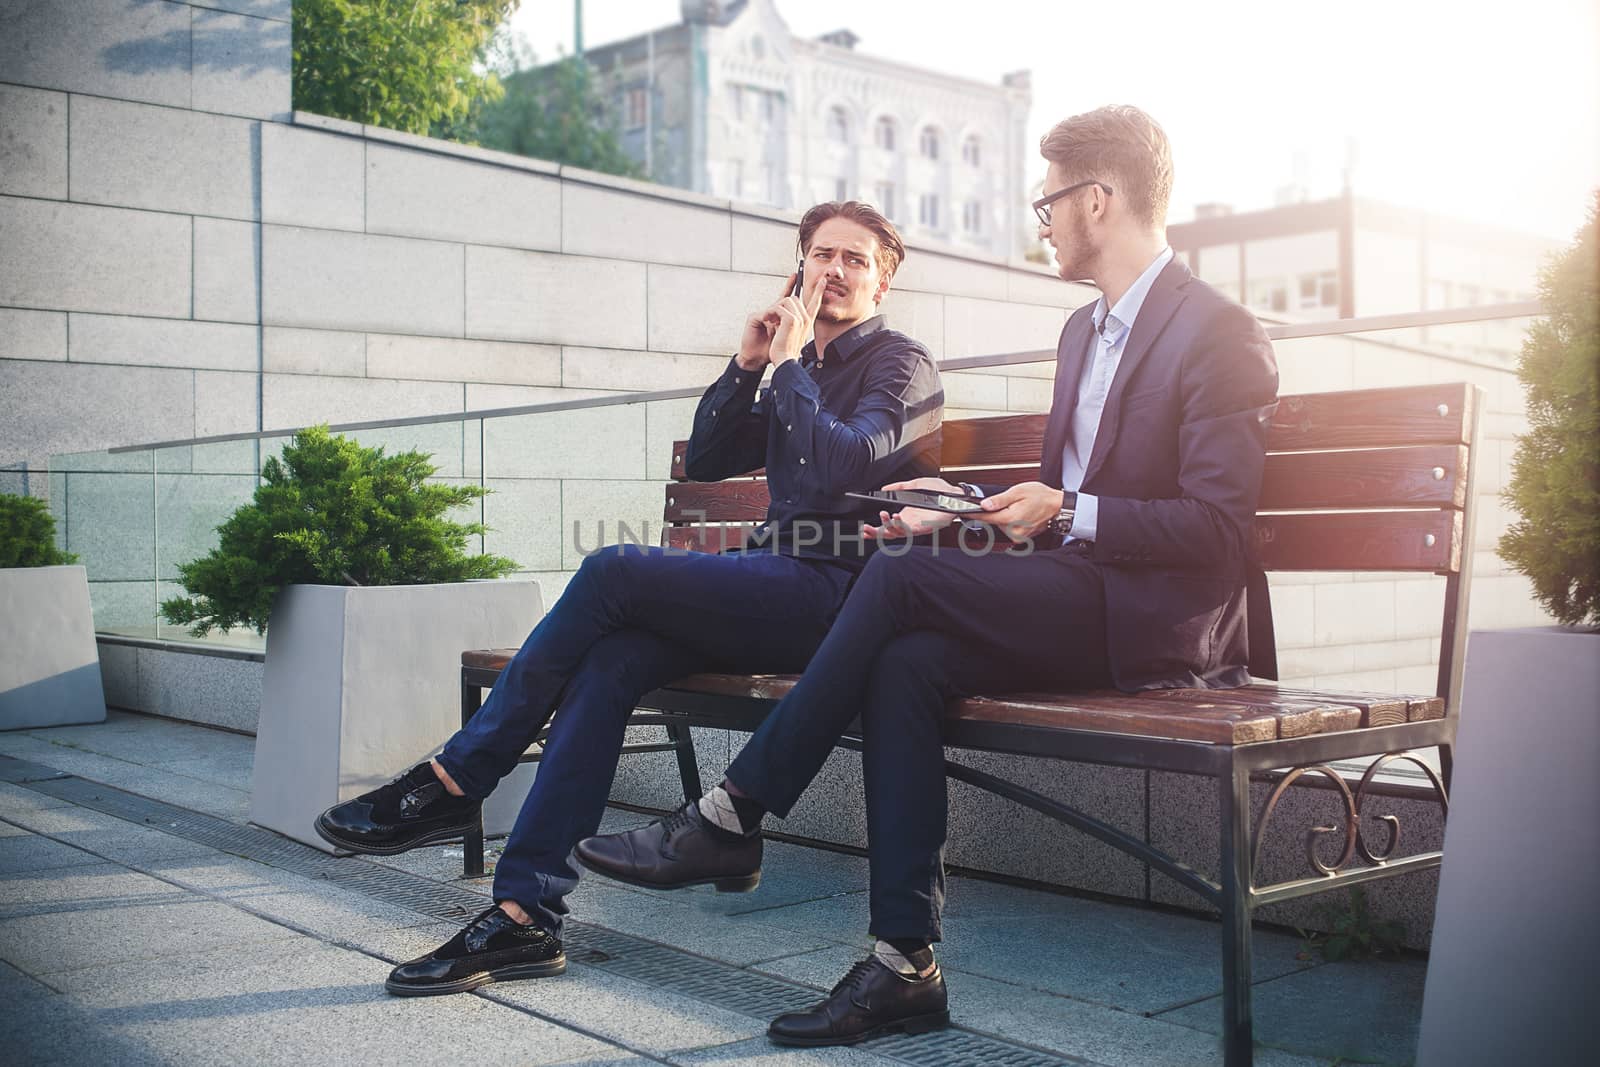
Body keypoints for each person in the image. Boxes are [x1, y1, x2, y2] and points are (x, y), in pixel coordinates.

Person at [575, 105, 1281, 1047]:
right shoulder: (1083, 332)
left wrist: (1067, 511)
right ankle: (905, 965)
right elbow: (1070, 488)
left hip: (1159, 618)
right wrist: (957, 500)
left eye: (1049, 202)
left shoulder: (1219, 332)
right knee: (906, 662)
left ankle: (733, 811)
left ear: (1099, 200)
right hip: (1075, 586)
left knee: (902, 580)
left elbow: (1220, 533)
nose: (1043, 221)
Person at [313, 200, 943, 997]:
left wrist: (783, 372)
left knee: (612, 569)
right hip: (766, 590)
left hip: (836, 598)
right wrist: (748, 366)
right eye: (822, 255)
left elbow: (842, 472)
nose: (836, 270)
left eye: (855, 259)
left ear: (883, 279)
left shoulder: (899, 362)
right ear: (799, 269)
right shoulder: (798, 368)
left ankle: (458, 776)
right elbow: (709, 458)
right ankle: (523, 915)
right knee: (611, 658)